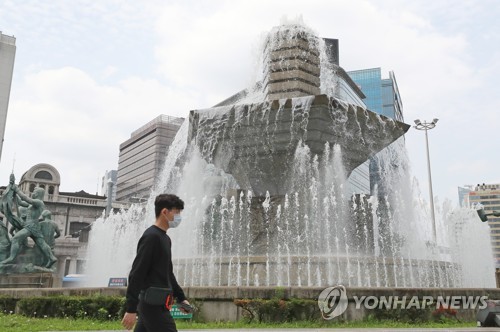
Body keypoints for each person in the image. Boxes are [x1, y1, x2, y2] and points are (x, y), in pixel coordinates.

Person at [121, 194, 191, 331]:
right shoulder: (151, 237)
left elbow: (168, 273)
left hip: (158, 302)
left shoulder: (165, 238)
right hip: (152, 304)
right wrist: (130, 309)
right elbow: (137, 273)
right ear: (164, 212)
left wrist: (181, 298)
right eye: (176, 212)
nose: (178, 217)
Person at [0, 186, 57, 268]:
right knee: (41, 243)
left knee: (16, 238)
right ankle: (51, 257)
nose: (32, 193)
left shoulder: (38, 202)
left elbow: (26, 198)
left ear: (37, 194)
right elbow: (21, 203)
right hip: (32, 226)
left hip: (31, 226)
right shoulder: (34, 204)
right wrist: (15, 195)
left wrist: (17, 189)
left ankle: (11, 258)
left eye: (34, 192)